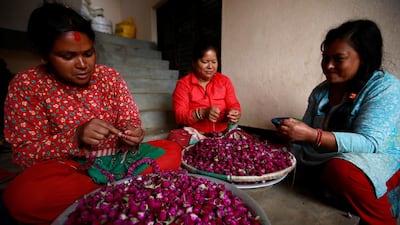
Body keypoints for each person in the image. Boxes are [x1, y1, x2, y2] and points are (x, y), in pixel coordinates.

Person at [2, 3, 181, 224]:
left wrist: (133, 130)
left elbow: (130, 118)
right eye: (67, 56)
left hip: (120, 161)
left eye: (88, 53)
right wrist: (74, 136)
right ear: (44, 55)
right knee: (22, 197)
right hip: (74, 171)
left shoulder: (110, 77)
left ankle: (103, 197)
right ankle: (122, 191)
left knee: (172, 150)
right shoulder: (27, 85)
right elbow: (25, 154)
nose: (82, 64)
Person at [276, 19, 400, 225]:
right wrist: (291, 136)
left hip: (379, 159)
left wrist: (311, 135)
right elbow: (302, 139)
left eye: (338, 59)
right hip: (329, 156)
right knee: (277, 151)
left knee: (343, 173)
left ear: (364, 58)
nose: (328, 66)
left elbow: (369, 143)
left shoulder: (385, 88)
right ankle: (331, 187)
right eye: (325, 58)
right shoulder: (321, 91)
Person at [168, 40, 243, 148]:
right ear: (194, 62)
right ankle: (211, 145)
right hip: (197, 134)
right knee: (174, 138)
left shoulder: (224, 81)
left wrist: (235, 112)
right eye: (205, 62)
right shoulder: (183, 84)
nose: (210, 66)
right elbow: (179, 116)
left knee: (245, 141)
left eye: (214, 62)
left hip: (224, 132)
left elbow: (234, 104)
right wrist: (202, 113)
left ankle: (217, 144)